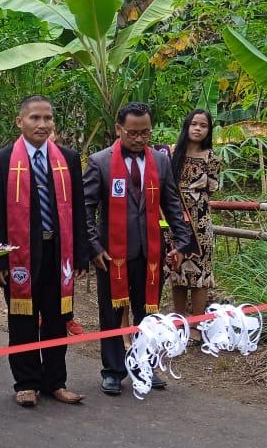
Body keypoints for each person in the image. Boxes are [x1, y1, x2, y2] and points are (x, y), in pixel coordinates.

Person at [0, 95, 90, 407]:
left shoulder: (67, 158)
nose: (42, 124)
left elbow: (79, 211)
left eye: (47, 118)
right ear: (20, 122)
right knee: (23, 319)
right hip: (21, 255)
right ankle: (26, 382)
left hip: (59, 252)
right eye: (35, 118)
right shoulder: (2, 160)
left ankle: (56, 381)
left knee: (58, 318)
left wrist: (81, 254)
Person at [83, 102, 194, 396]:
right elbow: (86, 210)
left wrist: (182, 243)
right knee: (110, 312)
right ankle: (113, 370)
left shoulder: (160, 160)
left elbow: (172, 204)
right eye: (133, 133)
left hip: (151, 252)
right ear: (119, 129)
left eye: (145, 132)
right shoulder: (100, 161)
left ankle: (145, 367)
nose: (139, 138)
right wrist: (94, 247)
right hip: (112, 254)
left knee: (148, 315)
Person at [167, 109, 222, 342]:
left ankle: (197, 325)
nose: (198, 128)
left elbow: (213, 188)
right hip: (175, 221)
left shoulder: (212, 157)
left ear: (209, 130)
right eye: (194, 124)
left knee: (201, 272)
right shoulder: (171, 153)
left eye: (203, 125)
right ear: (186, 126)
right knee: (178, 270)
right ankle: (179, 323)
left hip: (200, 223)